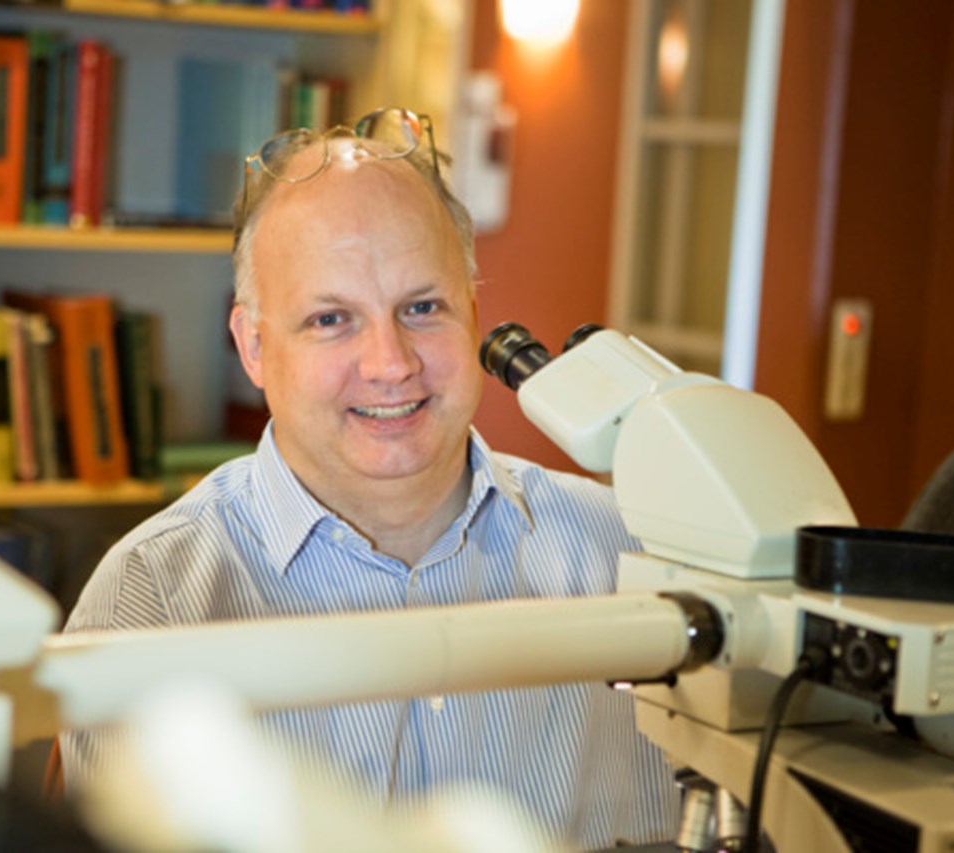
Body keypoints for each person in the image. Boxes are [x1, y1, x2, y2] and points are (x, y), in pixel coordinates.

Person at [61, 108, 680, 848]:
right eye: (331, 319)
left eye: (422, 308)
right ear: (253, 346)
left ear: (474, 313)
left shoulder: (633, 554)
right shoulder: (151, 599)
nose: (392, 363)